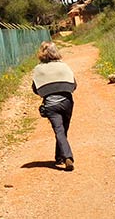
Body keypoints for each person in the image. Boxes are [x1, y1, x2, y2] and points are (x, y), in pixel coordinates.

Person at [31, 40, 77, 170]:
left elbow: (35, 89)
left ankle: (64, 157)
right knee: (63, 130)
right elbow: (74, 85)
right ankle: (63, 157)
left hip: (51, 104)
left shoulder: (38, 69)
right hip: (67, 101)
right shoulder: (64, 66)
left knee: (59, 130)